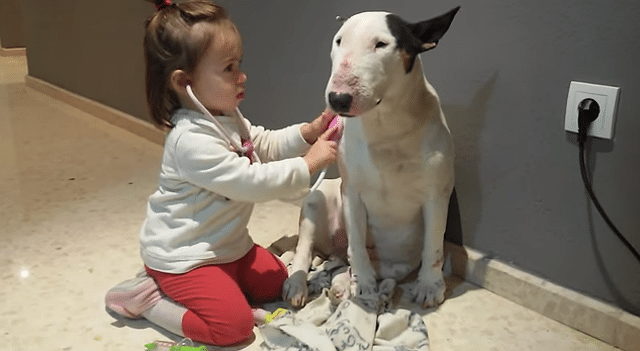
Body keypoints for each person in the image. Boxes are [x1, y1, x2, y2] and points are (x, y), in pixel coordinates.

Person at [105, 0, 339, 346]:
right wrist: (308, 165)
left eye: (238, 64)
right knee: (234, 328)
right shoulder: (190, 141)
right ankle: (148, 300)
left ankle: (221, 286)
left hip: (226, 247)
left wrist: (307, 133)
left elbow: (260, 143)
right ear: (185, 82)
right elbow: (249, 183)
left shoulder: (225, 118)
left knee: (276, 280)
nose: (242, 76)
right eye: (229, 68)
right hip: (184, 258)